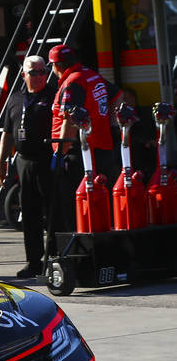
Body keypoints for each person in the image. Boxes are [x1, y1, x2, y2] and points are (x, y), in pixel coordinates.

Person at [0, 55, 57, 279]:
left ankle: (54, 258)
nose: (40, 76)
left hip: (47, 159)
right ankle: (34, 261)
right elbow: (7, 134)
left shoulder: (53, 96)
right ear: (24, 75)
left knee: (52, 211)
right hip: (23, 160)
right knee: (29, 212)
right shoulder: (15, 99)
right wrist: (0, 162)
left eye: (43, 72)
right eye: (34, 72)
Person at [49, 44, 121, 232]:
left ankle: (83, 252)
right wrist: (112, 126)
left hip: (81, 153)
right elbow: (118, 97)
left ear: (57, 66)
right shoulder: (92, 75)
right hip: (102, 148)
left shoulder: (73, 82)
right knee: (103, 201)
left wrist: (59, 153)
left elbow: (71, 120)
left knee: (78, 205)